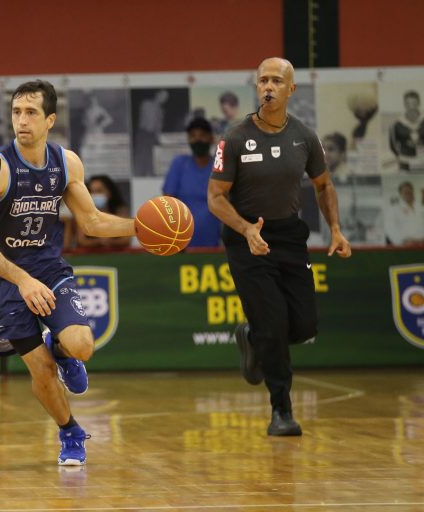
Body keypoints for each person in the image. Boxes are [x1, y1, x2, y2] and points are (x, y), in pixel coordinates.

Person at [0, 80, 135, 465]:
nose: (21, 121)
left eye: (31, 113)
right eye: (16, 112)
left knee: (82, 346)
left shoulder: (66, 163)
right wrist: (21, 281)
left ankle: (61, 348)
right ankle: (70, 431)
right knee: (41, 371)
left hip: (47, 266)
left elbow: (91, 221)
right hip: (2, 279)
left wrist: (140, 227)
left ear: (50, 120)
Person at [207, 58, 352, 437]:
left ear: (291, 89)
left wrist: (336, 229)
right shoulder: (234, 138)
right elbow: (215, 197)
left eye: (276, 81)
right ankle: (281, 410)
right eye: (263, 81)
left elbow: (324, 185)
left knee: (303, 326)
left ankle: (253, 338)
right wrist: (245, 229)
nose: (268, 87)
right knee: (273, 322)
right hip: (247, 239)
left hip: (289, 236)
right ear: (257, 87)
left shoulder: (305, 136)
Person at [162, 117, 221, 248]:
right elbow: (167, 202)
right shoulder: (179, 164)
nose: (197, 140)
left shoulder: (219, 166)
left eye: (202, 135)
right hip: (182, 243)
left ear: (211, 138)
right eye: (193, 136)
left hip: (214, 242)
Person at [71, 174, 131, 249]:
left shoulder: (120, 212)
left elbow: (126, 240)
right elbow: (81, 241)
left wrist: (110, 242)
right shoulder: (83, 214)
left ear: (109, 192)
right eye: (92, 191)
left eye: (99, 191)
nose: (95, 195)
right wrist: (99, 242)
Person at [133, 89, 168, 175]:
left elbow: (158, 126)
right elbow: (146, 119)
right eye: (163, 95)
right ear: (157, 94)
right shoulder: (146, 103)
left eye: (166, 97)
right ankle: (138, 175)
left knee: (151, 159)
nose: (165, 98)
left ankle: (149, 175)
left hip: (152, 136)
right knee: (140, 157)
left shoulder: (161, 110)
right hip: (143, 133)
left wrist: (158, 138)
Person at [389, 90, 424, 171]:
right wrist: (402, 155)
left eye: (414, 103)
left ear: (419, 103)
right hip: (405, 161)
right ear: (404, 104)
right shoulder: (396, 124)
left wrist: (420, 143)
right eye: (408, 104)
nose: (411, 107)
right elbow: (393, 145)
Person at [385, 181, 424, 246]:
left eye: (410, 191)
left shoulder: (421, 208)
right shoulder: (394, 209)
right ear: (400, 194)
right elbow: (390, 228)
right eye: (406, 192)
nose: (409, 194)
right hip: (406, 245)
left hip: (422, 244)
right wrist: (402, 241)